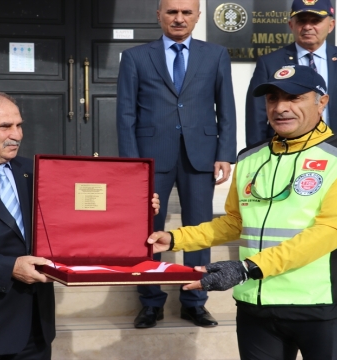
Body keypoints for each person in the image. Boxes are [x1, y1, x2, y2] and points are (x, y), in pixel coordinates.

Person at [148, 65, 337, 359]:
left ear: (322, 102)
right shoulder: (250, 157)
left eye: (294, 97)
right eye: (272, 98)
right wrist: (173, 239)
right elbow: (235, 222)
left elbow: (330, 232)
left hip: (322, 306)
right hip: (256, 306)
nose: (280, 108)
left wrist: (246, 268)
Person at [0, 90, 161, 359]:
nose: (17, 135)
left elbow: (76, 219)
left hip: (34, 331)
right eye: (5, 126)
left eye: (19, 125)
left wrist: (134, 206)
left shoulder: (36, 171)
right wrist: (11, 268)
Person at [116, 0, 237, 329]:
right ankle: (150, 301)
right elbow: (125, 114)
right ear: (159, 16)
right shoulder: (136, 57)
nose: (179, 18)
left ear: (198, 16)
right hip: (150, 157)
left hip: (201, 155)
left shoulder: (215, 55)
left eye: (186, 12)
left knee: (199, 230)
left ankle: (195, 301)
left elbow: (226, 107)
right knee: (145, 230)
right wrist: (131, 165)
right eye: (172, 12)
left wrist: (225, 153)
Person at [245, 0, 337, 146]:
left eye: (315, 21)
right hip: (285, 150)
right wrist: (255, 154)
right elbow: (256, 117)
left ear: (331, 25)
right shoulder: (269, 63)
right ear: (291, 25)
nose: (307, 27)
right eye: (301, 21)